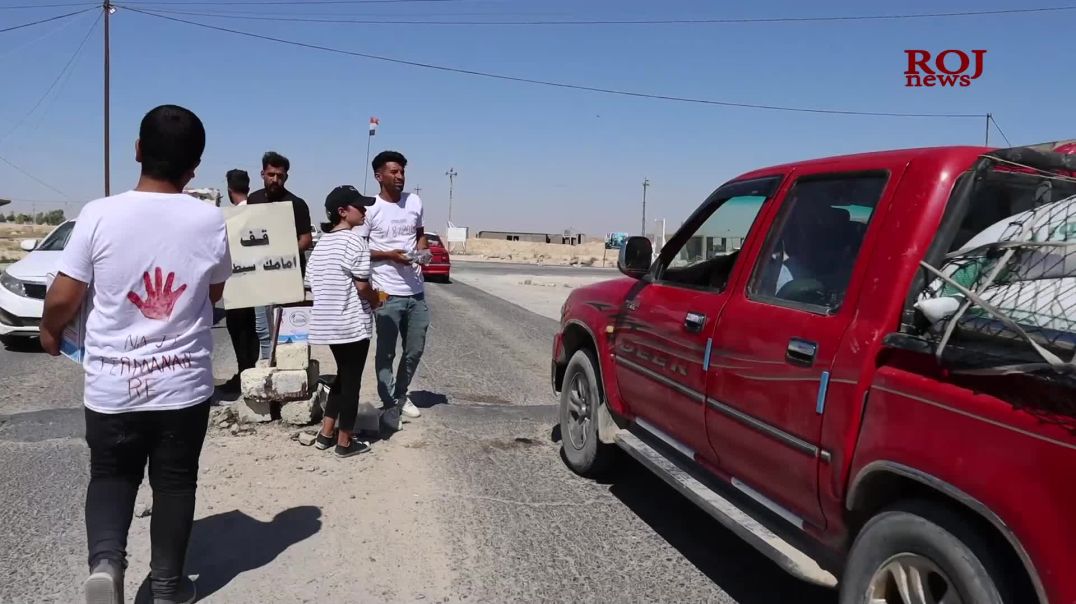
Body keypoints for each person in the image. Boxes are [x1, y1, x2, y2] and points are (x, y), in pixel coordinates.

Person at [40, 104, 230, 604]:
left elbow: (64, 295)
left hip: (113, 388)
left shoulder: (99, 213)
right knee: (175, 482)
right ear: (195, 165)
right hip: (182, 388)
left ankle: (106, 564)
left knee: (110, 474)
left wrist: (49, 330)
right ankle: (167, 588)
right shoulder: (210, 219)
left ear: (138, 151)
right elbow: (213, 294)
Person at [305, 185, 380, 457]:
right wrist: (376, 300)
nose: (364, 210)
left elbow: (311, 283)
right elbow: (362, 287)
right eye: (359, 206)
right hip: (352, 324)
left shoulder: (321, 245)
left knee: (341, 377)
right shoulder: (355, 241)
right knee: (352, 383)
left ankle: (326, 433)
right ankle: (345, 442)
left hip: (328, 325)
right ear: (342, 211)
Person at [359, 150, 429, 430]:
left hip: (416, 291)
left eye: (402, 172)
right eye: (394, 172)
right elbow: (360, 250)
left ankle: (402, 394)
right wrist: (390, 255)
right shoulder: (369, 209)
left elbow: (420, 232)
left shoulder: (414, 201)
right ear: (379, 176)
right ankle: (390, 401)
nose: (400, 177)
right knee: (386, 352)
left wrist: (422, 250)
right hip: (386, 293)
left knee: (414, 349)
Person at [246, 151, 313, 360]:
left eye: (280, 175)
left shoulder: (297, 203)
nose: (275, 179)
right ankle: (268, 366)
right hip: (260, 276)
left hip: (288, 275)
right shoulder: (253, 199)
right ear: (262, 174)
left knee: (289, 327)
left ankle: (292, 367)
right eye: (271, 174)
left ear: (286, 177)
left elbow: (306, 239)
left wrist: (282, 254)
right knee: (263, 328)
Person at [220, 169, 256, 393]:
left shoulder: (230, 217)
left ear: (229, 190)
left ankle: (244, 373)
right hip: (258, 282)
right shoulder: (259, 211)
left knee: (239, 330)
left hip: (237, 282)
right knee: (252, 331)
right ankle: (248, 372)